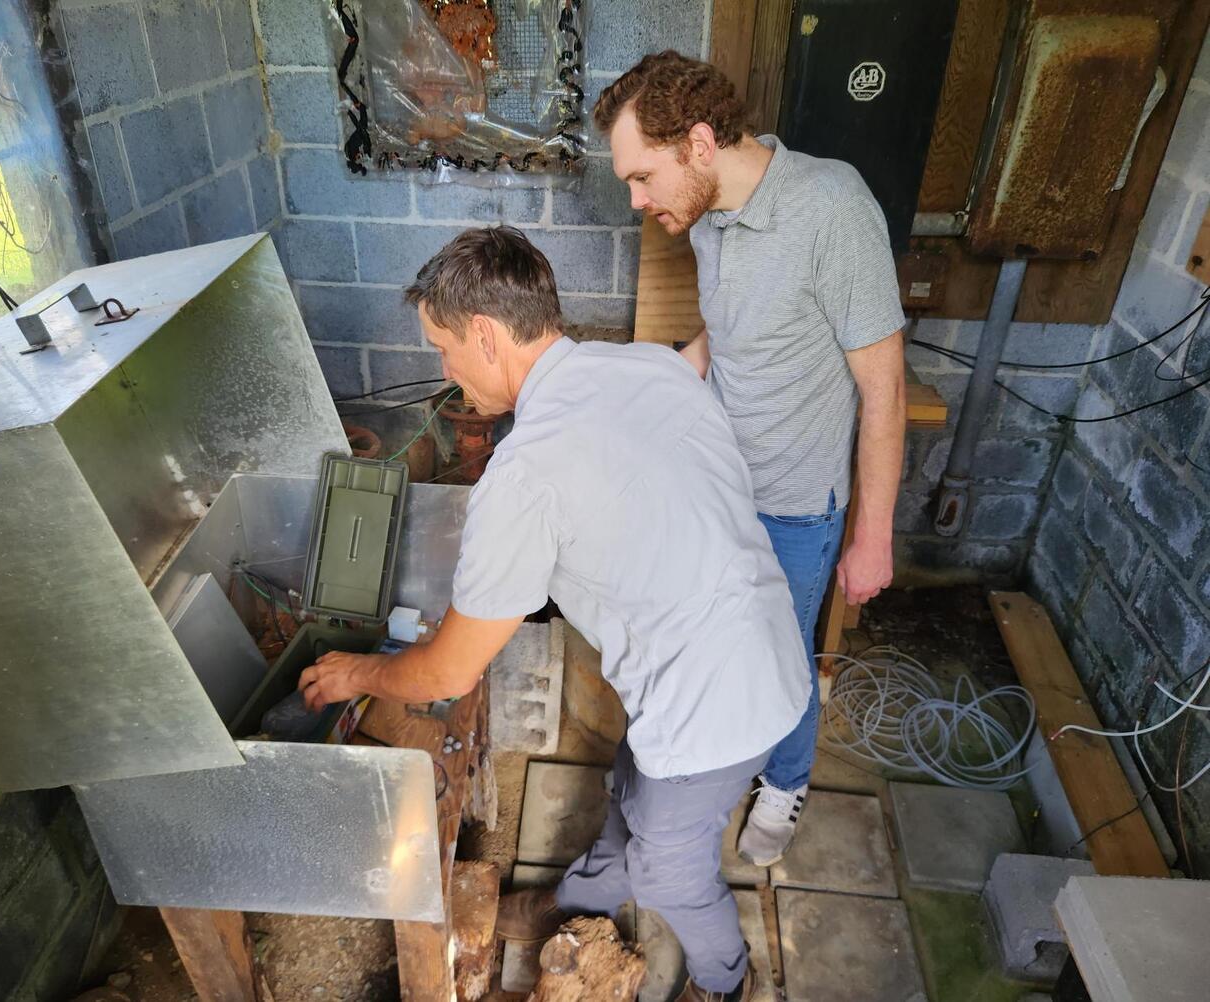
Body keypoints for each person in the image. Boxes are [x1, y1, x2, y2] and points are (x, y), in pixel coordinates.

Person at [298, 226, 808, 1002]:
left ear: (485, 334)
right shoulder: (649, 366)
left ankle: (726, 982)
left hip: (719, 707)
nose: (446, 370)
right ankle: (576, 902)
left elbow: (448, 672)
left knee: (670, 870)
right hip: (758, 643)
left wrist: (355, 675)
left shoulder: (526, 472)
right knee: (632, 790)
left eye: (443, 349)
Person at [595, 51, 907, 866]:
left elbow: (884, 390)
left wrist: (872, 538)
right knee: (703, 637)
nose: (636, 201)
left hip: (797, 502)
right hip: (720, 485)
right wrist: (657, 388)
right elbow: (731, 330)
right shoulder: (707, 216)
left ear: (699, 144)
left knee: (780, 659)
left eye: (642, 177)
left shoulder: (833, 209)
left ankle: (785, 781)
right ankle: (707, 766)